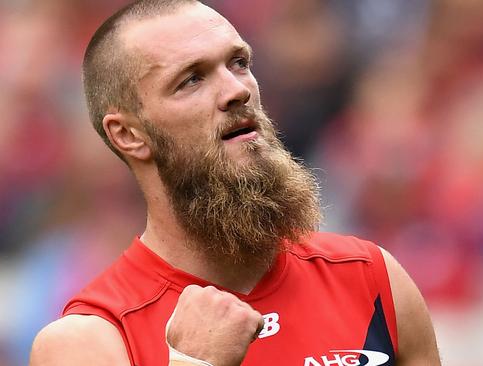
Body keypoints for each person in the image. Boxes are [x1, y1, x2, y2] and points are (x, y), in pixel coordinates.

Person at [29, 1, 441, 365]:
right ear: (128, 135)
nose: (237, 89)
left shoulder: (371, 279)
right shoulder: (93, 338)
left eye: (239, 63)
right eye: (191, 79)